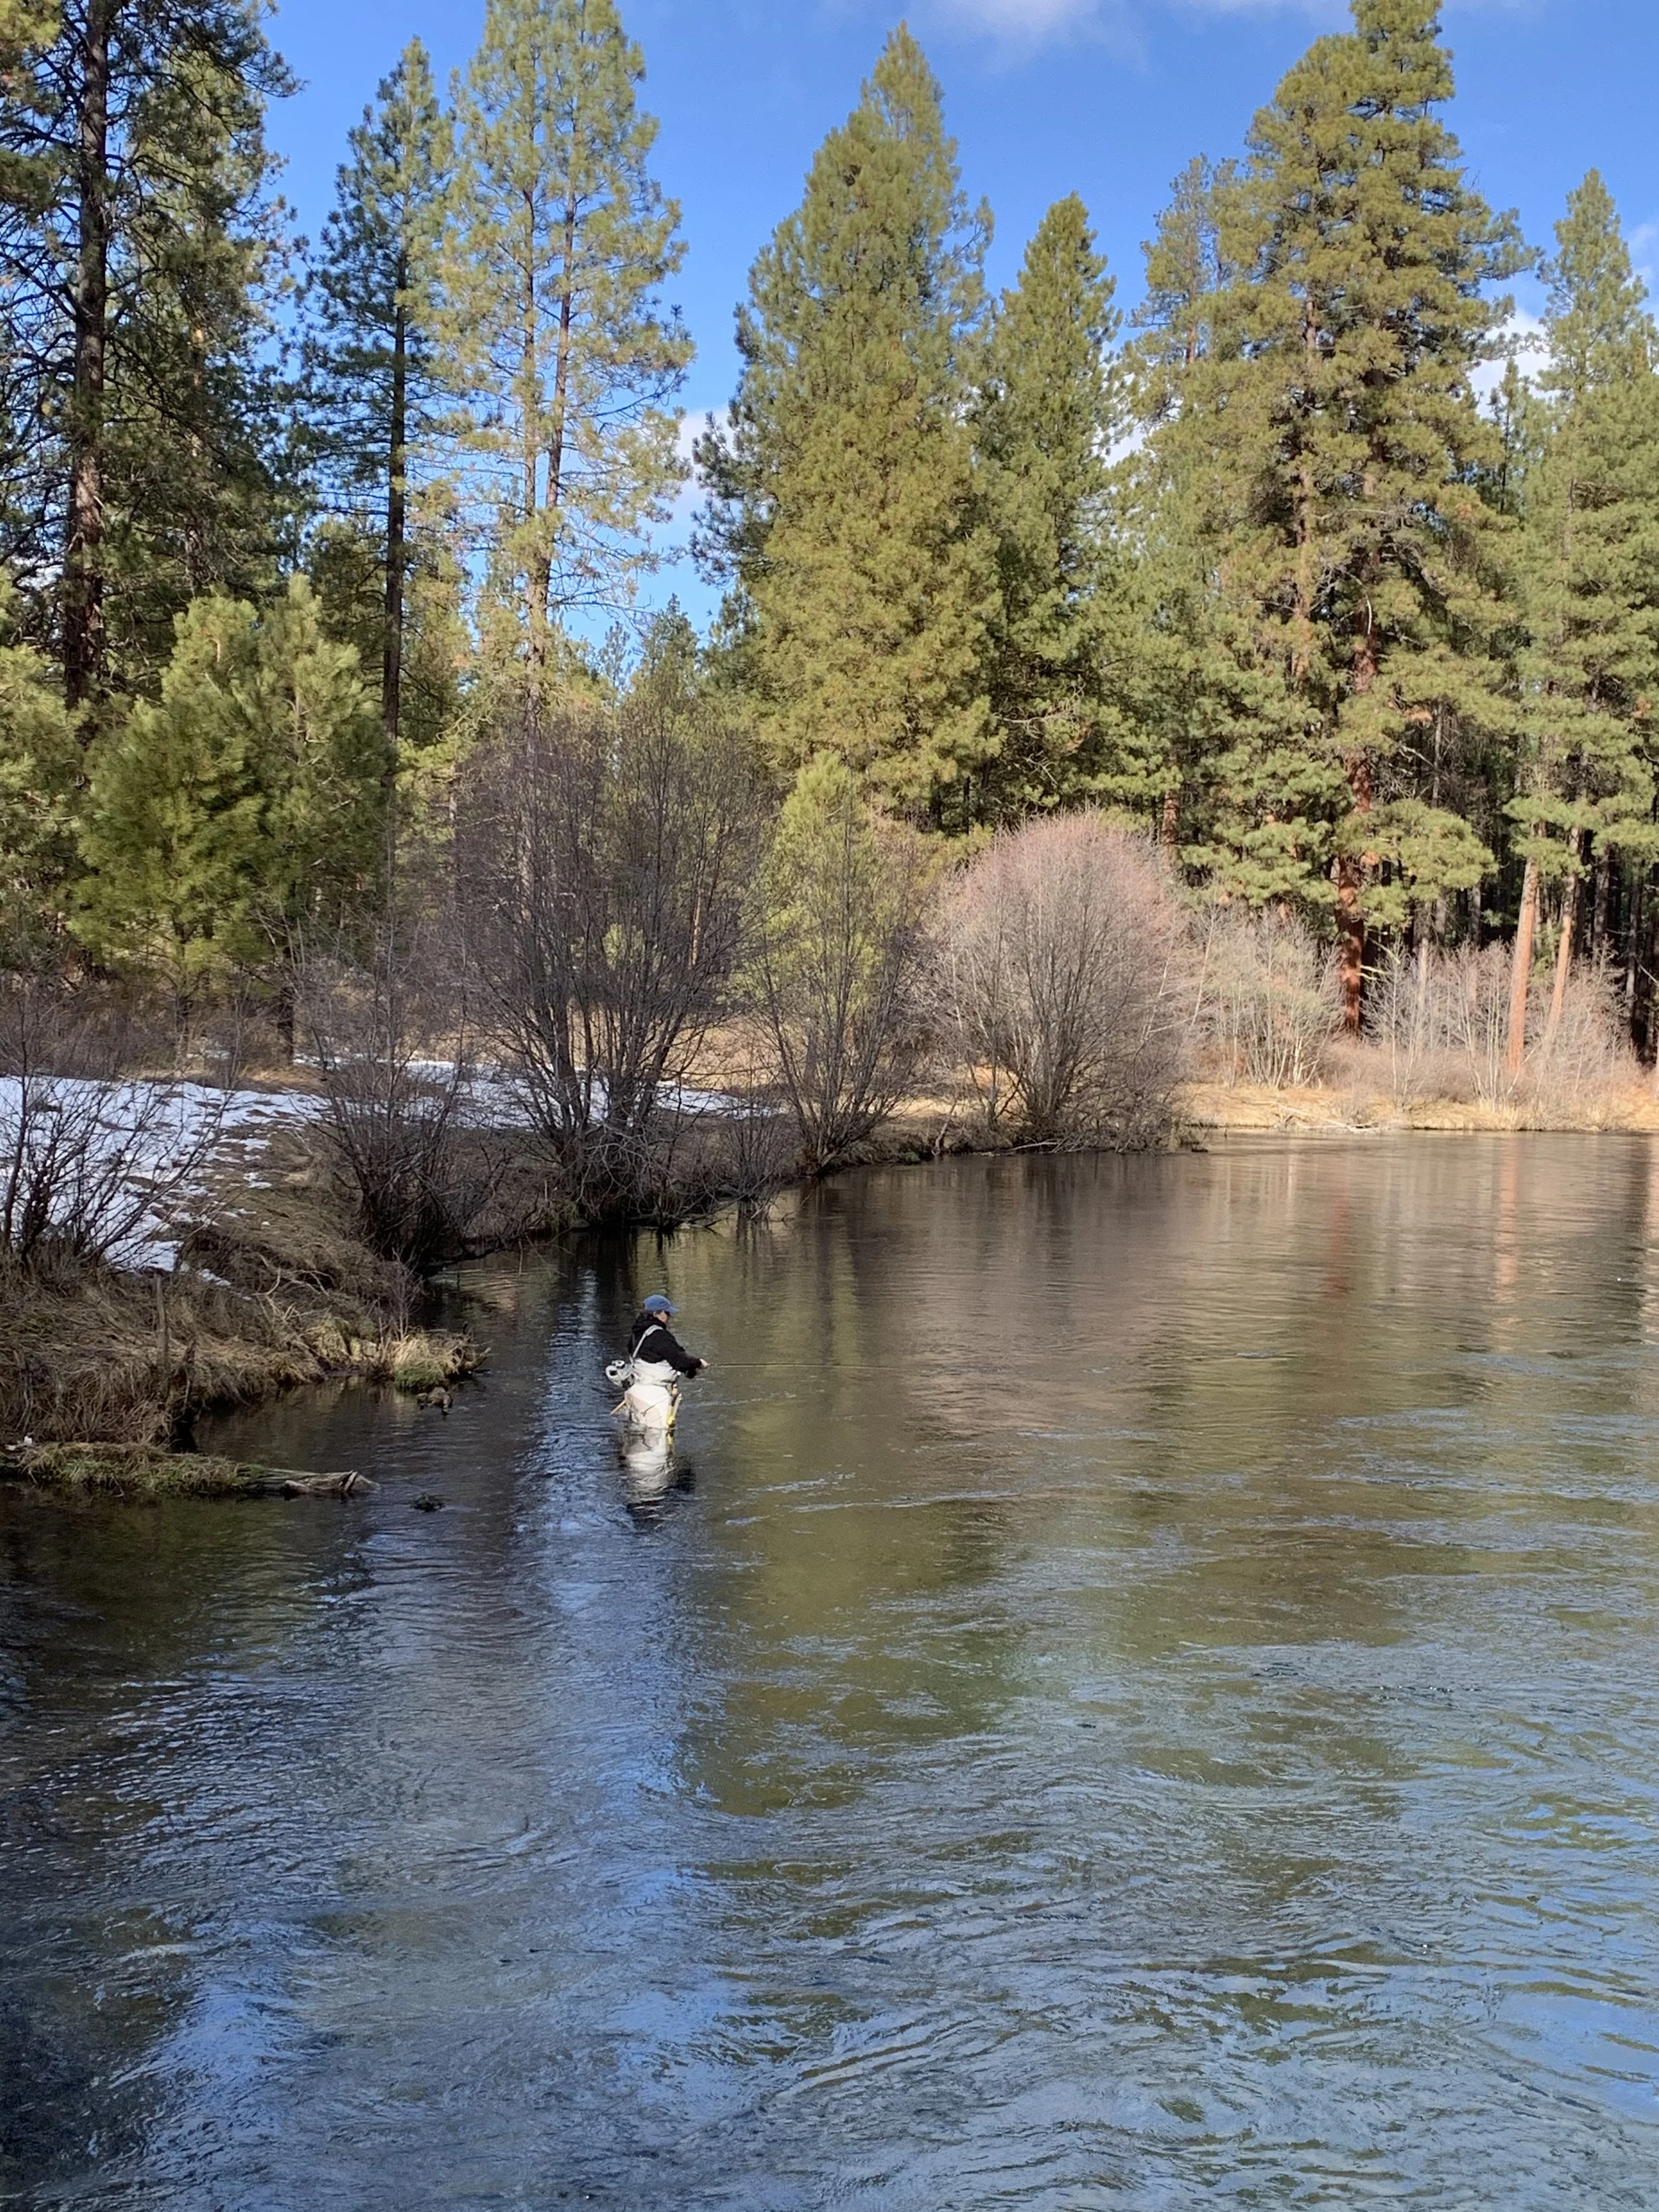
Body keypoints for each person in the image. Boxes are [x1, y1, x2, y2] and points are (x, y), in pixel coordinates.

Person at [615, 1293, 705, 1437]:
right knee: (657, 1445)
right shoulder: (660, 1336)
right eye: (667, 1313)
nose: (669, 1317)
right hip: (654, 1398)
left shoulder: (636, 1335)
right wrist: (698, 1363)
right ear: (657, 1314)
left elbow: (660, 1358)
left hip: (635, 1393)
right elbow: (680, 1360)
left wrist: (690, 1369)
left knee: (636, 1440)